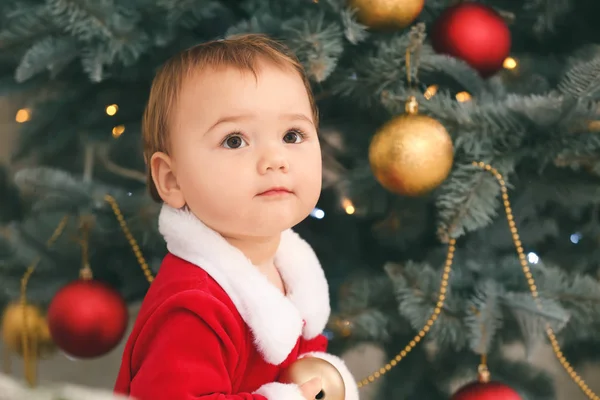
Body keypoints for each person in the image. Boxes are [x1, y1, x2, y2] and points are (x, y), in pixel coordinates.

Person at [113, 33, 360, 400]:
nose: (275, 159)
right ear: (172, 179)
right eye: (234, 140)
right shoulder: (192, 307)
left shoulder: (290, 273)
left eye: (292, 135)